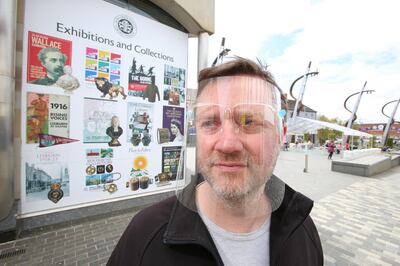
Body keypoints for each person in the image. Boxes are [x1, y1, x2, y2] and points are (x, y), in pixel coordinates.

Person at [107, 57, 323, 265]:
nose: (227, 144)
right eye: (210, 122)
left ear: (280, 134)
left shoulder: (302, 231)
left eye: (249, 122)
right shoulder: (145, 236)